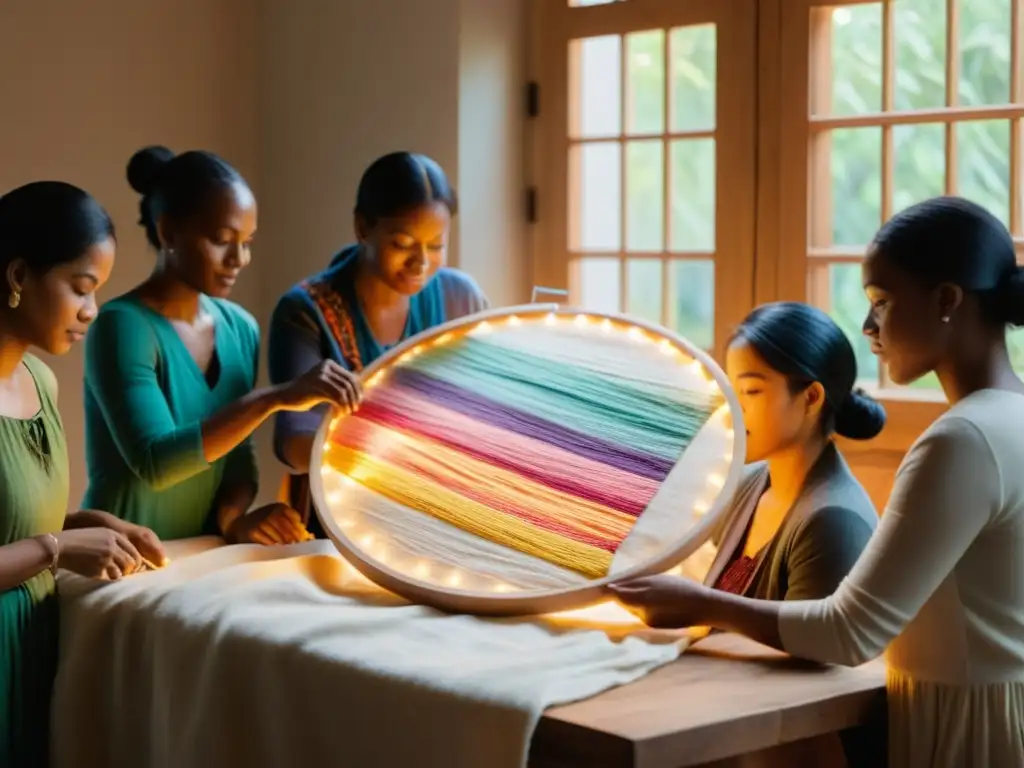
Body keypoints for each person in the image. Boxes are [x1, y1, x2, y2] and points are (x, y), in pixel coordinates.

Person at [610, 196, 1024, 767]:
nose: (868, 327)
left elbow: (849, 632)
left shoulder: (961, 441)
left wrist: (701, 603)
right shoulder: (1011, 416)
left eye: (881, 301)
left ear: (947, 300)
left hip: (963, 728)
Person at [83, 146, 353, 544]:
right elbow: (157, 462)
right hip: (121, 560)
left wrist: (233, 521)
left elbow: (238, 461)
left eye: (247, 242)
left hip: (204, 554)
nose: (239, 258)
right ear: (168, 232)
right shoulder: (121, 326)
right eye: (222, 239)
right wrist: (274, 399)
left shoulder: (240, 328)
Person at [0, 181, 166, 766]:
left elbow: (10, 524)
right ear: (19, 276)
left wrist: (87, 524)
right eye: (81, 288)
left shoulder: (40, 383)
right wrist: (57, 546)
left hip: (32, 647)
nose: (92, 312)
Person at [269, 151, 488, 535]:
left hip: (449, 510)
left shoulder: (460, 299)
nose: (421, 261)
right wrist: (392, 463)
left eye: (436, 245)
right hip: (345, 521)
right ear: (362, 227)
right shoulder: (306, 311)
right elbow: (295, 442)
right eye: (403, 244)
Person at [699, 302, 883, 602]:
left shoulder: (834, 523)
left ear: (811, 398)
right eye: (731, 390)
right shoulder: (744, 483)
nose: (733, 407)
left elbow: (804, 645)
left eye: (751, 391)